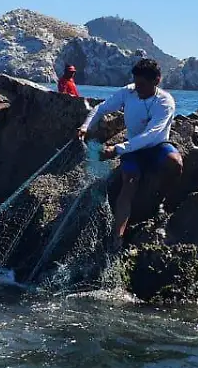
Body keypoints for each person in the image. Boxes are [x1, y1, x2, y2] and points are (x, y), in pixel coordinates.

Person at [77, 58, 182, 244]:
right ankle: (118, 236)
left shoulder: (165, 102)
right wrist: (86, 126)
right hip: (133, 148)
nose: (137, 88)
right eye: (135, 82)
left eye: (142, 84)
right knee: (129, 182)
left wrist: (116, 149)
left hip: (156, 146)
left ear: (156, 80)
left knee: (175, 162)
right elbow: (100, 109)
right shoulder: (128, 91)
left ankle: (161, 201)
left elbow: (151, 134)